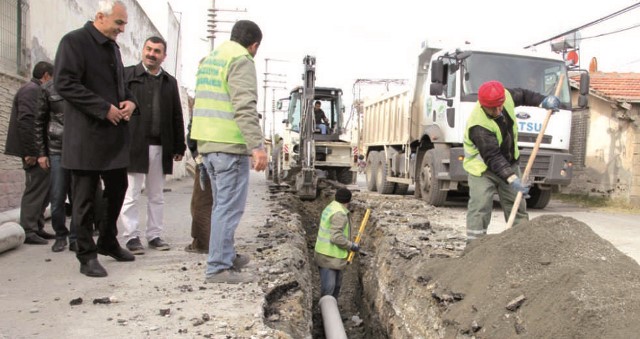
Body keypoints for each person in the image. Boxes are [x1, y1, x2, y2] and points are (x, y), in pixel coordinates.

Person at [54, 0, 137, 277]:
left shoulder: (112, 47)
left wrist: (129, 102)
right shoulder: (74, 42)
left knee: (117, 189)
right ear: (100, 17)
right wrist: (103, 109)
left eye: (124, 23)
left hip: (112, 138)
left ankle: (108, 241)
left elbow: (121, 86)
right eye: (119, 23)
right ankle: (86, 255)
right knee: (84, 199)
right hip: (86, 137)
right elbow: (64, 83)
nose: (122, 29)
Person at [191, 20, 268, 284]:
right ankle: (218, 267)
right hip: (229, 147)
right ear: (254, 45)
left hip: (209, 146)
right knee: (228, 208)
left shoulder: (213, 58)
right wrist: (256, 146)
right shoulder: (241, 59)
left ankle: (226, 254)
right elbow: (244, 106)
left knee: (221, 206)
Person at [463, 80, 560, 243]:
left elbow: (523, 95)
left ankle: (521, 246)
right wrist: (512, 178)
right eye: (492, 108)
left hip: (509, 163)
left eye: (499, 105)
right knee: (480, 207)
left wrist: (542, 101)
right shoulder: (478, 126)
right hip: (482, 170)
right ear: (483, 105)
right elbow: (493, 157)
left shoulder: (504, 97)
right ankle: (473, 247)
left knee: (517, 205)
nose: (498, 110)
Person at [120, 36, 186, 255]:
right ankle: (131, 237)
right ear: (143, 50)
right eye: (148, 49)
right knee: (131, 194)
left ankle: (154, 235)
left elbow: (177, 115)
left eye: (157, 51)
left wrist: (179, 145)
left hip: (160, 146)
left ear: (163, 56)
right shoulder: (127, 76)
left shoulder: (169, 82)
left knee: (156, 195)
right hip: (133, 145)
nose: (152, 54)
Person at [4, 61, 56, 245]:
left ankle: (37, 226)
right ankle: (29, 229)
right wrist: (32, 152)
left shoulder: (35, 90)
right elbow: (26, 122)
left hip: (39, 150)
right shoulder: (31, 91)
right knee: (35, 190)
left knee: (44, 189)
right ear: (46, 76)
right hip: (33, 152)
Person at [34, 74, 78, 252]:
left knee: (79, 197)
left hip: (79, 148)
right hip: (56, 149)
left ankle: (76, 237)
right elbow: (39, 122)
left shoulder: (83, 84)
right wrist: (41, 153)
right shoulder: (48, 88)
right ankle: (61, 235)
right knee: (57, 197)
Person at [314, 188, 359, 299]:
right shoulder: (340, 214)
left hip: (328, 254)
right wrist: (351, 246)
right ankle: (324, 314)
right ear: (348, 201)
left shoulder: (331, 207)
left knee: (336, 286)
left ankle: (332, 311)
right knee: (329, 289)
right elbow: (336, 237)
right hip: (329, 256)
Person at [184, 97, 212, 254]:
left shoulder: (206, 94)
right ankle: (218, 243)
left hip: (207, 152)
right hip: (228, 153)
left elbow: (193, 130)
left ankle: (203, 243)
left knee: (202, 201)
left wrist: (196, 152)